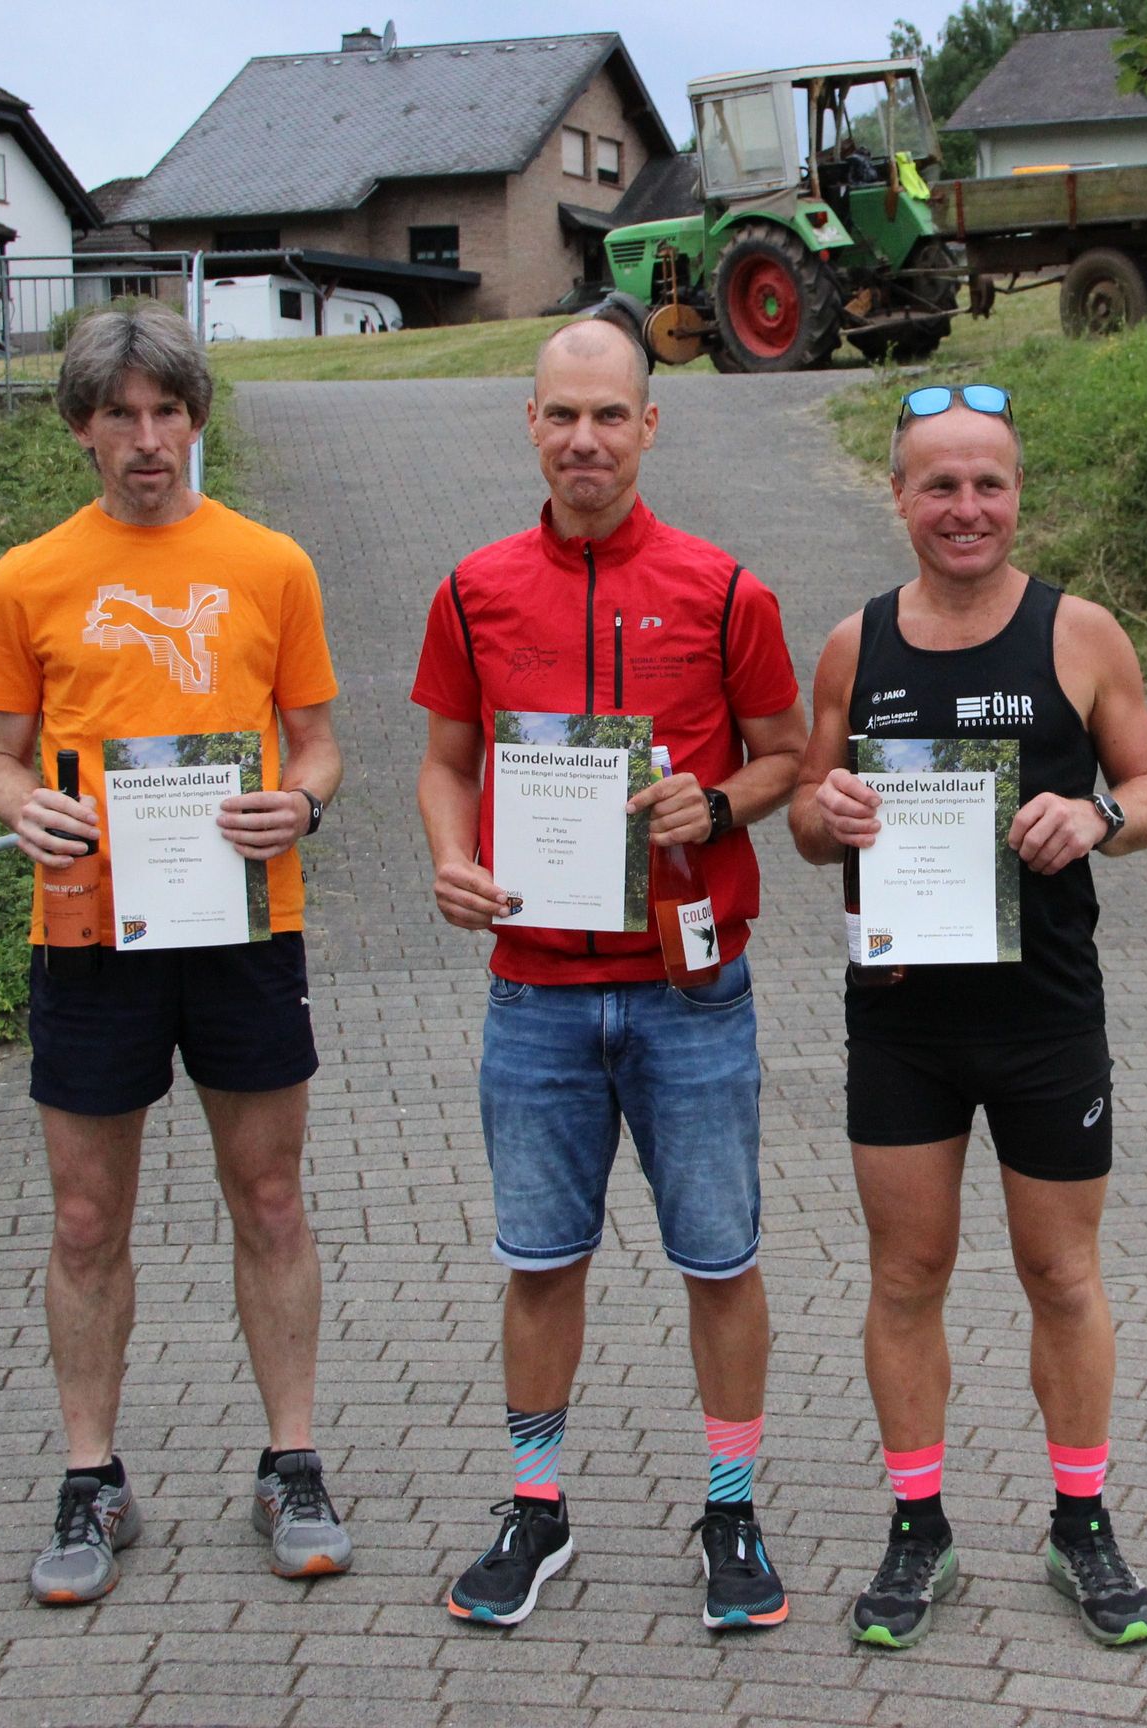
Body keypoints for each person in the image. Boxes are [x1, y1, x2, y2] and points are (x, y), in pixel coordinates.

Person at [411, 318, 808, 1632]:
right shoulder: (472, 589)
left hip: (690, 989)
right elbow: (446, 765)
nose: (586, 438)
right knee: (540, 1261)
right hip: (536, 992)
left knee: (719, 1260)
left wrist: (721, 802)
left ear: (650, 425)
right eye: (563, 414)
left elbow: (786, 752)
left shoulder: (728, 590)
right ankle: (536, 1507)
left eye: (610, 415)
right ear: (530, 423)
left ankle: (731, 1508)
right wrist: (450, 858)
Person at [790, 382, 1147, 1649]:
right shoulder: (854, 645)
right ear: (899, 496)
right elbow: (805, 815)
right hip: (902, 1021)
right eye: (940, 485)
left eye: (989, 484)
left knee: (1061, 1274)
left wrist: (1099, 815)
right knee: (907, 1274)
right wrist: (827, 814)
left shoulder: (1081, 634)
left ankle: (1081, 1524)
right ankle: (919, 1529)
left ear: (1019, 495)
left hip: (1045, 1017)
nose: (966, 508)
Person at [0, 302, 349, 1605]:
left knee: (272, 1199)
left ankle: (293, 1461)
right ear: (82, 428)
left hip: (243, 924)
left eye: (168, 411)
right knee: (86, 1219)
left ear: (196, 419)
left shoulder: (271, 564)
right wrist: (21, 807)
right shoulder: (27, 577)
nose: (147, 438)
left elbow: (318, 742)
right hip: (89, 929)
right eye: (120, 415)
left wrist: (301, 804)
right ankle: (92, 1478)